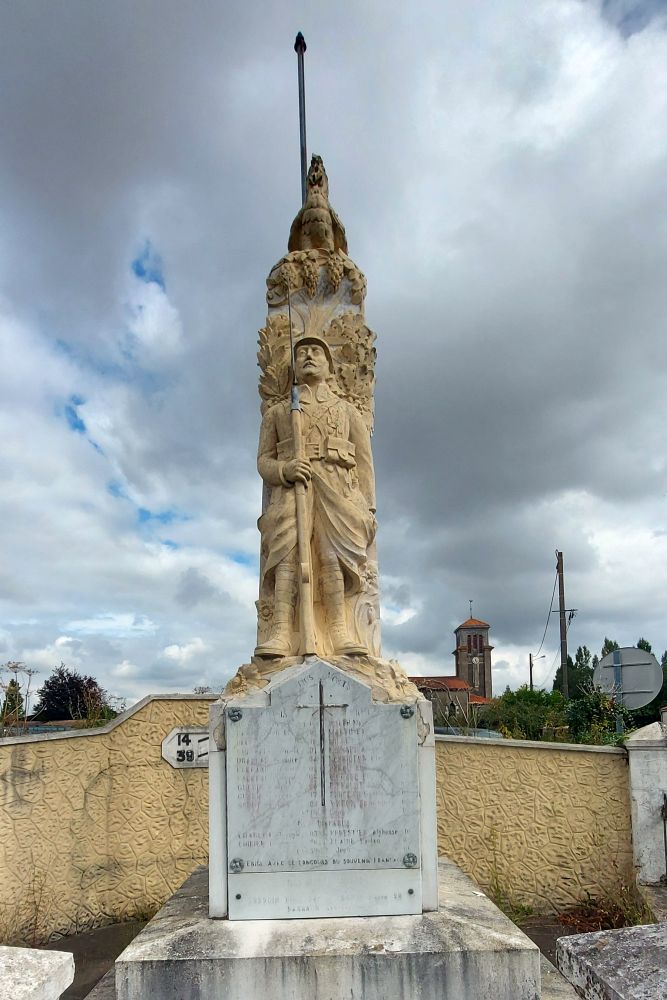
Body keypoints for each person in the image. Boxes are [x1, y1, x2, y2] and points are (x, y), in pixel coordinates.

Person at [255, 336, 376, 657]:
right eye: (301, 352)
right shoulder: (279, 413)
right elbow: (263, 461)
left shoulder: (347, 411)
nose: (308, 356)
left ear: (329, 365)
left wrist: (368, 507)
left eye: (316, 351)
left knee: (331, 555)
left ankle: (337, 629)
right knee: (287, 554)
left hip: (337, 489)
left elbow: (364, 463)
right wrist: (285, 470)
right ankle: (282, 629)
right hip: (293, 490)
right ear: (294, 366)